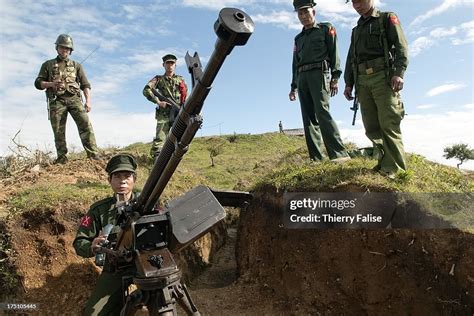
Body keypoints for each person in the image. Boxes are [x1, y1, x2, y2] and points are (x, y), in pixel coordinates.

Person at [343, 0, 409, 177]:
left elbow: (401, 46)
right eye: (354, 2)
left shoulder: (387, 18)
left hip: (383, 78)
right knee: (371, 126)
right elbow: (351, 58)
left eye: (361, 0)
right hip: (362, 81)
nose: (358, 5)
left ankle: (395, 168)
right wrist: (348, 83)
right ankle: (383, 162)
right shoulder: (356, 30)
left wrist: (399, 72)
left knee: (388, 122)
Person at [73, 154, 138, 315]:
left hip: (145, 265)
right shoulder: (99, 210)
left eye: (127, 176)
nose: (122, 181)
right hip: (115, 269)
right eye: (117, 176)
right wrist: (93, 246)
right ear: (110, 180)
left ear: (134, 179)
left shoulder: (147, 202)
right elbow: (79, 242)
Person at [289, 0, 350, 162]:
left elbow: (334, 53)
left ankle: (338, 154)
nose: (303, 16)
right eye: (300, 13)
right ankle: (316, 158)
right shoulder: (298, 38)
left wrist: (335, 77)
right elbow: (295, 62)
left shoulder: (325, 29)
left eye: (306, 12)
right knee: (307, 118)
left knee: (322, 112)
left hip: (319, 74)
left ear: (313, 12)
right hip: (302, 77)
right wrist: (293, 86)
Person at [34, 34, 101, 164]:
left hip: (74, 99)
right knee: (58, 130)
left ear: (70, 50)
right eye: (62, 47)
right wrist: (51, 84)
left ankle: (93, 155)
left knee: (85, 125)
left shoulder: (76, 66)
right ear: (57, 48)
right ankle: (62, 157)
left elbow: (85, 85)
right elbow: (38, 83)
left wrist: (88, 101)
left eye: (67, 48)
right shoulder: (47, 65)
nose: (64, 50)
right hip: (56, 101)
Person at [143, 54, 188, 159]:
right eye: (167, 63)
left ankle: (172, 158)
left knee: (179, 137)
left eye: (172, 63)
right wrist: (158, 101)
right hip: (164, 113)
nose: (170, 65)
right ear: (163, 65)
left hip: (178, 112)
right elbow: (146, 90)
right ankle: (156, 160)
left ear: (175, 65)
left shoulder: (180, 79)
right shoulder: (158, 79)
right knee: (160, 138)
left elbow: (185, 95)